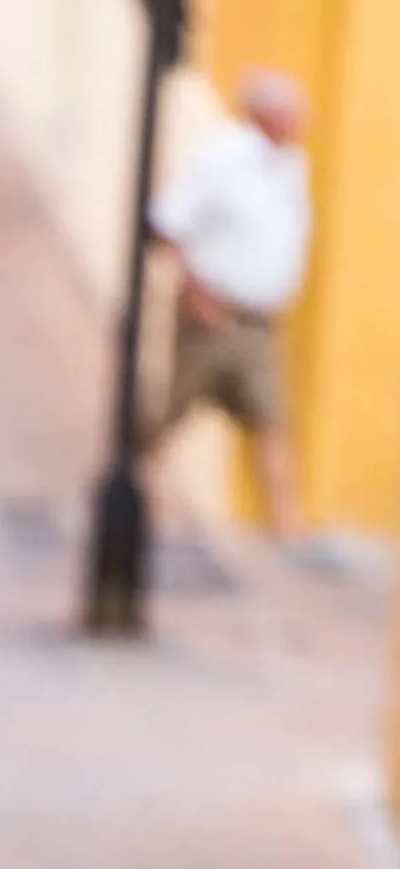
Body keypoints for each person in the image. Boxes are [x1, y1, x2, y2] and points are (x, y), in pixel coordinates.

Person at [143, 69, 311, 547]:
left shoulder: (291, 164)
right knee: (173, 408)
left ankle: (286, 525)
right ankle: (141, 492)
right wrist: (197, 293)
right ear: (264, 113)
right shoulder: (223, 157)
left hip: (259, 321)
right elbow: (170, 223)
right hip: (213, 311)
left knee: (271, 417)